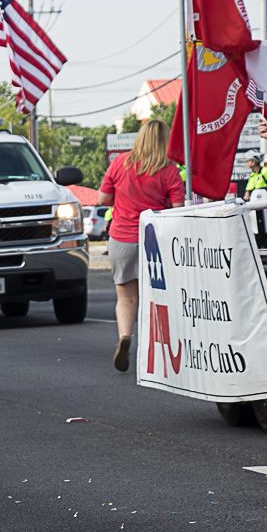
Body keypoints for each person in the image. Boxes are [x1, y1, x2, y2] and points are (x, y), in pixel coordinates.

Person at [97, 118, 184, 372]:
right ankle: (160, 350)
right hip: (155, 242)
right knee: (158, 297)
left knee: (126, 297)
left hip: (122, 238)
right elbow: (178, 211)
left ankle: (125, 336)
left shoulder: (119, 162)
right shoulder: (170, 170)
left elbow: (104, 198)